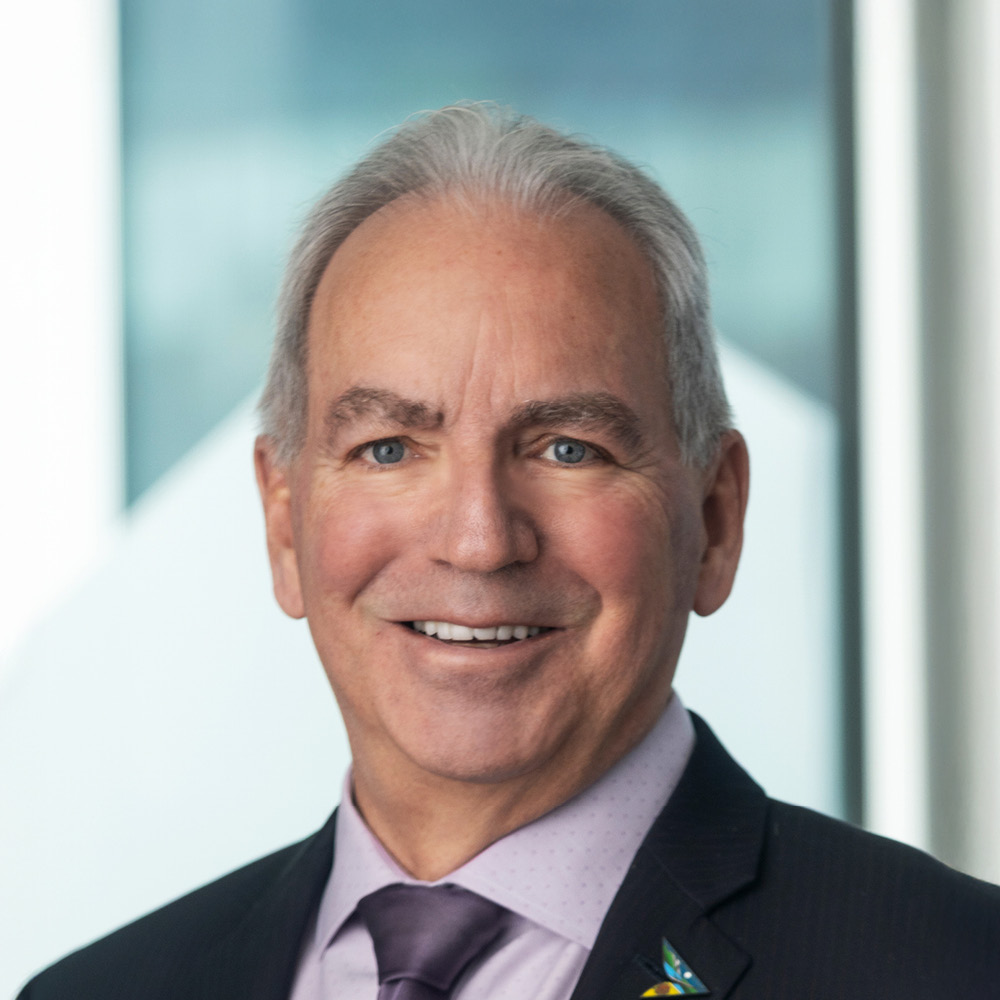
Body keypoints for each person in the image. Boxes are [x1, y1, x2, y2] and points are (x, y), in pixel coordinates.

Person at [18, 104, 1000, 1000]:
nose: (479, 542)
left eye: (568, 448)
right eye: (389, 448)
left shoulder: (953, 969)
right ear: (284, 522)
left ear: (715, 518)